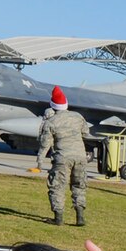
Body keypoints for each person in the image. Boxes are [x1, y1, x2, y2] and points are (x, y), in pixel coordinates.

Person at [37, 87, 92, 228]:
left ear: (52, 105)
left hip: (62, 158)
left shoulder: (51, 121)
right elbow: (86, 133)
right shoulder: (78, 117)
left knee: (57, 186)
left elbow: (45, 144)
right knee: (79, 185)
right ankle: (80, 217)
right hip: (80, 156)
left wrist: (40, 160)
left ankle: (58, 218)